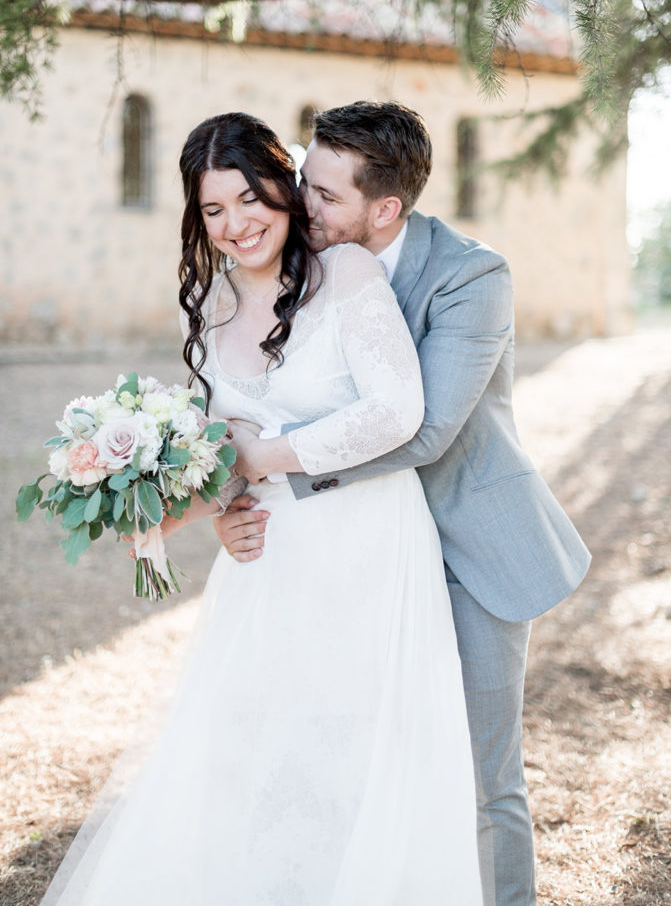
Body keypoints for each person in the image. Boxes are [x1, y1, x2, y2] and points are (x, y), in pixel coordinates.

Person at [40, 111, 483, 906]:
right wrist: (209, 509)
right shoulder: (205, 305)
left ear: (283, 189)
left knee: (355, 744)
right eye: (213, 210)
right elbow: (214, 444)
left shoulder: (346, 277)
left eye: (250, 199)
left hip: (367, 544)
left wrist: (262, 455)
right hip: (270, 556)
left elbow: (397, 413)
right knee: (260, 745)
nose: (236, 225)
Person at [216, 101, 592, 906]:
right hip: (356, 557)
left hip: (467, 549)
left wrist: (273, 467)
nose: (298, 205)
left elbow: (423, 435)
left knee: (480, 774)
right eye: (302, 183)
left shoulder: (471, 277)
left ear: (383, 209)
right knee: (355, 762)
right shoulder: (302, 267)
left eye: (323, 195)